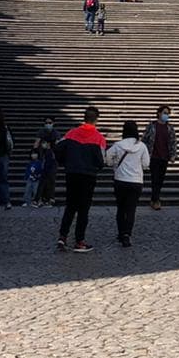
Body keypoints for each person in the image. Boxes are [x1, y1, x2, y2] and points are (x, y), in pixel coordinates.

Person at [56, 106, 108, 252]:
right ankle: (79, 241)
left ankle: (62, 237)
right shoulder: (98, 137)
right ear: (96, 119)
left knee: (70, 205)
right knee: (83, 208)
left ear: (84, 118)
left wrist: (65, 162)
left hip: (72, 173)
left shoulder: (72, 133)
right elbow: (101, 160)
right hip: (88, 175)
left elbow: (59, 147)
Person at [104, 119, 152, 246]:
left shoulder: (118, 145)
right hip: (136, 181)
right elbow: (146, 164)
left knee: (121, 208)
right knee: (131, 209)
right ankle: (127, 234)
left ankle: (121, 233)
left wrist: (113, 164)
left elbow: (107, 158)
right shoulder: (142, 146)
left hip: (120, 180)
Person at [147, 105, 176, 210]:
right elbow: (145, 139)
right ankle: (156, 200)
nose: (166, 115)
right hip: (153, 156)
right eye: (164, 113)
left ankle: (154, 198)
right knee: (155, 178)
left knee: (160, 179)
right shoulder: (152, 125)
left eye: (168, 113)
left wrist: (173, 155)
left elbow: (173, 142)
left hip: (164, 157)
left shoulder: (170, 127)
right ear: (159, 113)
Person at [36, 116, 60, 205]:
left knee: (52, 178)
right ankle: (43, 197)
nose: (48, 124)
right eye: (46, 123)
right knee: (43, 179)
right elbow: (37, 143)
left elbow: (58, 144)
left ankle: (51, 197)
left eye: (50, 123)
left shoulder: (56, 133)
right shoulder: (41, 132)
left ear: (53, 123)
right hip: (43, 158)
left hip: (52, 158)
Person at [21, 143, 49, 209]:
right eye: (32, 154)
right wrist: (27, 176)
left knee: (36, 190)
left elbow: (41, 170)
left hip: (37, 178)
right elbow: (27, 170)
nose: (34, 155)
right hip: (30, 178)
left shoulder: (39, 163)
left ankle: (37, 201)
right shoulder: (29, 163)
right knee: (28, 190)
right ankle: (26, 201)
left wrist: (38, 176)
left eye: (35, 154)